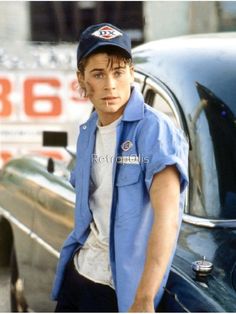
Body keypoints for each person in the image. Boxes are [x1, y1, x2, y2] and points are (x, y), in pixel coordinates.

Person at [52, 23, 189, 312]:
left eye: (118, 72)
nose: (110, 85)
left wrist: (145, 297)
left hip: (120, 290)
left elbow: (167, 220)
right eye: (98, 74)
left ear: (131, 73)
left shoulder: (156, 131)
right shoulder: (88, 130)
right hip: (79, 275)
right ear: (82, 79)